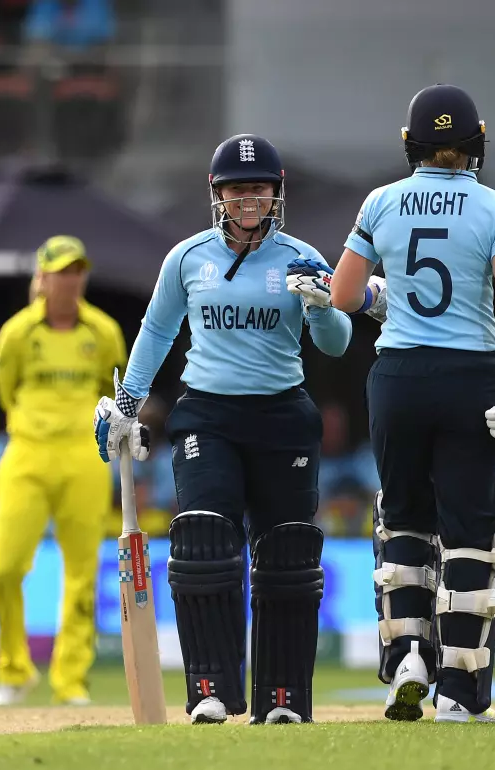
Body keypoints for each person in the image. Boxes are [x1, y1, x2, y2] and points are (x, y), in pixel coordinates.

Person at [94, 134, 383, 725]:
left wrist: (323, 304)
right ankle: (210, 689)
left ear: (276, 195)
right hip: (208, 414)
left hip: (282, 415)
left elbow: (336, 345)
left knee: (287, 556)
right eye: (236, 190)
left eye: (258, 189)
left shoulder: (301, 257)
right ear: (217, 196)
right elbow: (156, 333)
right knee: (203, 541)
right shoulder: (187, 258)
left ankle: (283, 699)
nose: (247, 200)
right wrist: (127, 403)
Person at [329, 84, 495, 723]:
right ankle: (459, 690)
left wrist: (382, 295)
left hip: (396, 377)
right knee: (470, 533)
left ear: (411, 145)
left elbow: (343, 295)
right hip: (469, 378)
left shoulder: (381, 201)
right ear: (475, 143)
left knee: (402, 519)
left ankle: (407, 660)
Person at [0, 236, 127, 707]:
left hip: (85, 456)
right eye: (62, 271)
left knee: (82, 572)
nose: (71, 280)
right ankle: (14, 670)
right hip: (26, 452)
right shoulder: (17, 334)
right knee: (6, 568)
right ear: (42, 277)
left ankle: (70, 681)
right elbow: (6, 391)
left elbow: (119, 393)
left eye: (78, 270)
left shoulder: (103, 331)